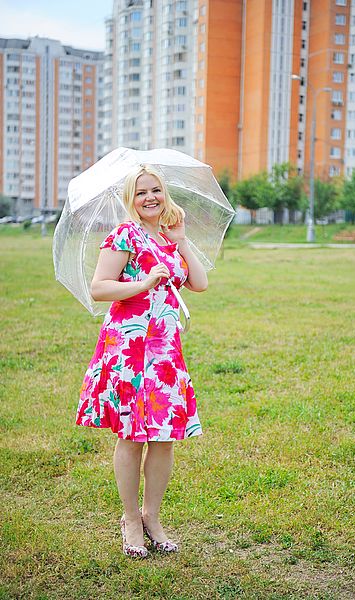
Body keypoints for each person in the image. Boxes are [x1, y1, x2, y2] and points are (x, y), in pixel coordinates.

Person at [75, 164, 208, 558]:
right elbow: (99, 288)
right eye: (141, 192)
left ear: (164, 194)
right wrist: (144, 282)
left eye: (155, 190)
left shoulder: (168, 237)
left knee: (165, 437)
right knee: (132, 436)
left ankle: (152, 516)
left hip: (166, 349)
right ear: (129, 199)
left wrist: (181, 242)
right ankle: (130, 519)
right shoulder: (124, 235)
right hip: (130, 347)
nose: (150, 197)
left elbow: (199, 283)